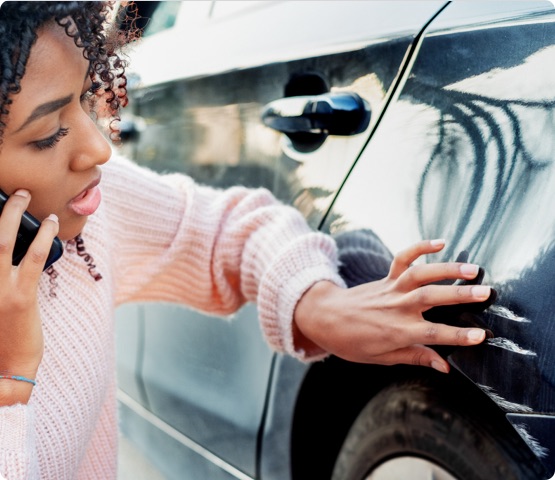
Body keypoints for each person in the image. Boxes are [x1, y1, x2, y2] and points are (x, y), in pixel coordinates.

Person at [0, 1, 492, 478]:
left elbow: (221, 229)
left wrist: (315, 305)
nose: (100, 149)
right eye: (47, 134)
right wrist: (12, 385)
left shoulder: (80, 216)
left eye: (87, 99)